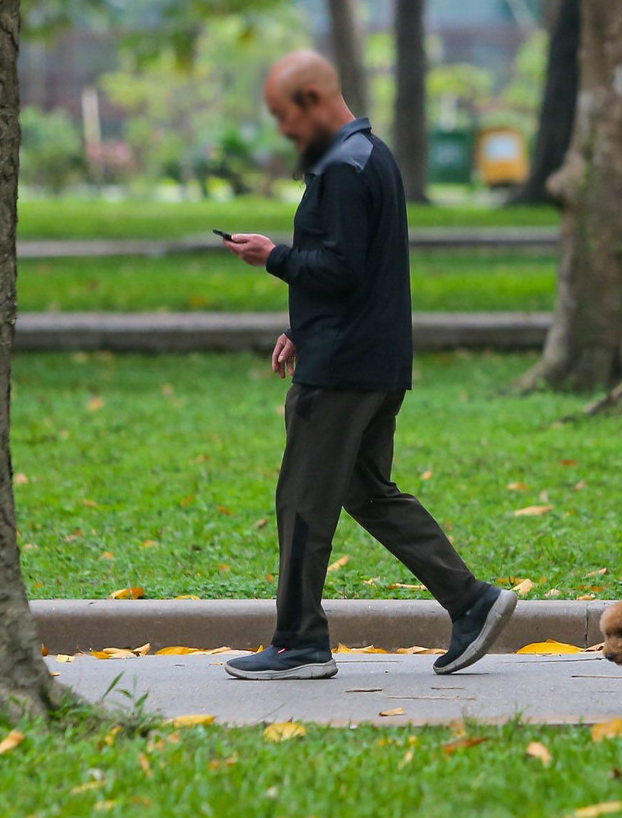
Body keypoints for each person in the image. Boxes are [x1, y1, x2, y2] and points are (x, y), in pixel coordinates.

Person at [220, 50, 517, 679]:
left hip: (341, 373)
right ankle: (473, 602)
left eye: (285, 116)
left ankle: (299, 642)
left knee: (302, 500)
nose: (284, 130)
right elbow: (354, 269)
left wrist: (274, 257)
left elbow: (342, 268)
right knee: (366, 490)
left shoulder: (343, 166)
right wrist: (301, 326)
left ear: (311, 100)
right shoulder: (370, 155)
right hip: (373, 361)